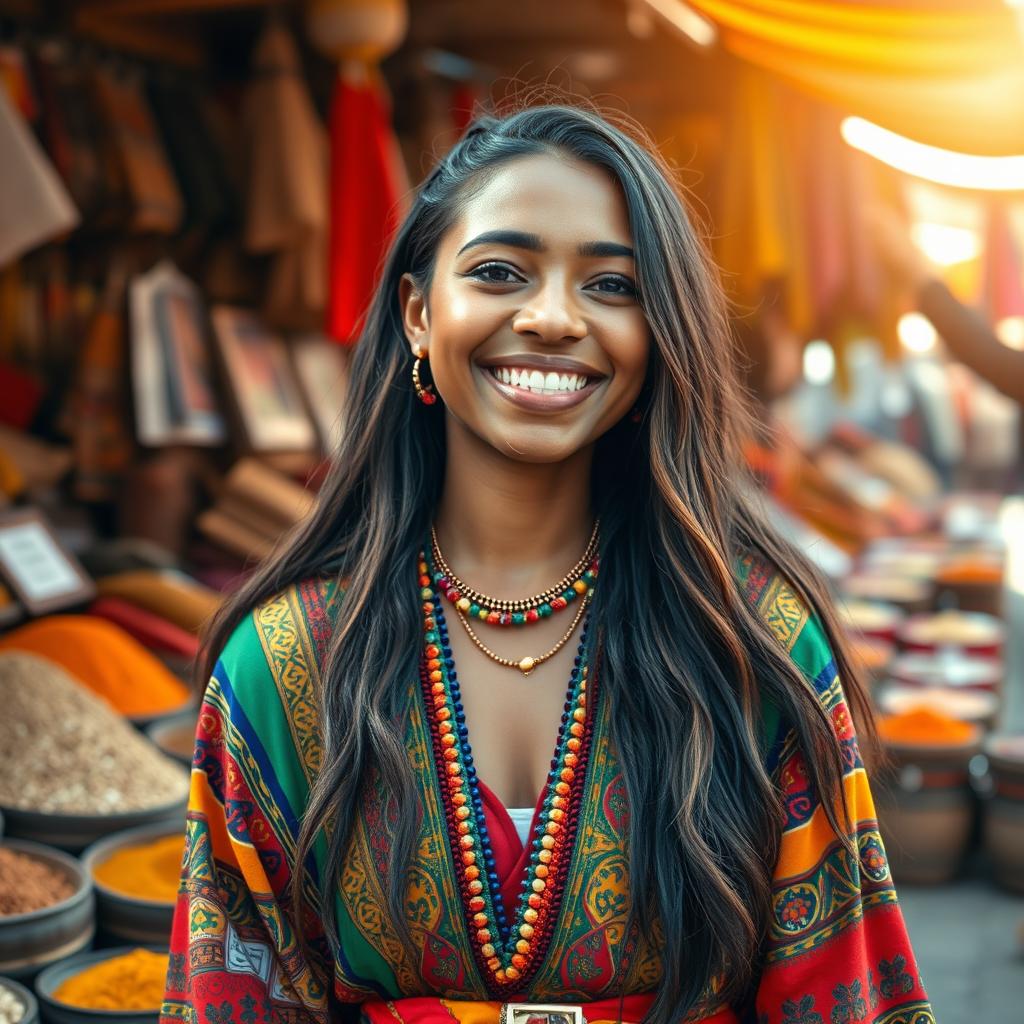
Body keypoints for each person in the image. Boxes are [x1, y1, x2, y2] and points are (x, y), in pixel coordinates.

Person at [162, 106, 933, 1024]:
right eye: (498, 272)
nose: (554, 318)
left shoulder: (752, 640)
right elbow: (234, 994)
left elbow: (844, 988)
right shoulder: (286, 663)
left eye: (612, 286)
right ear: (418, 312)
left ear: (660, 335)